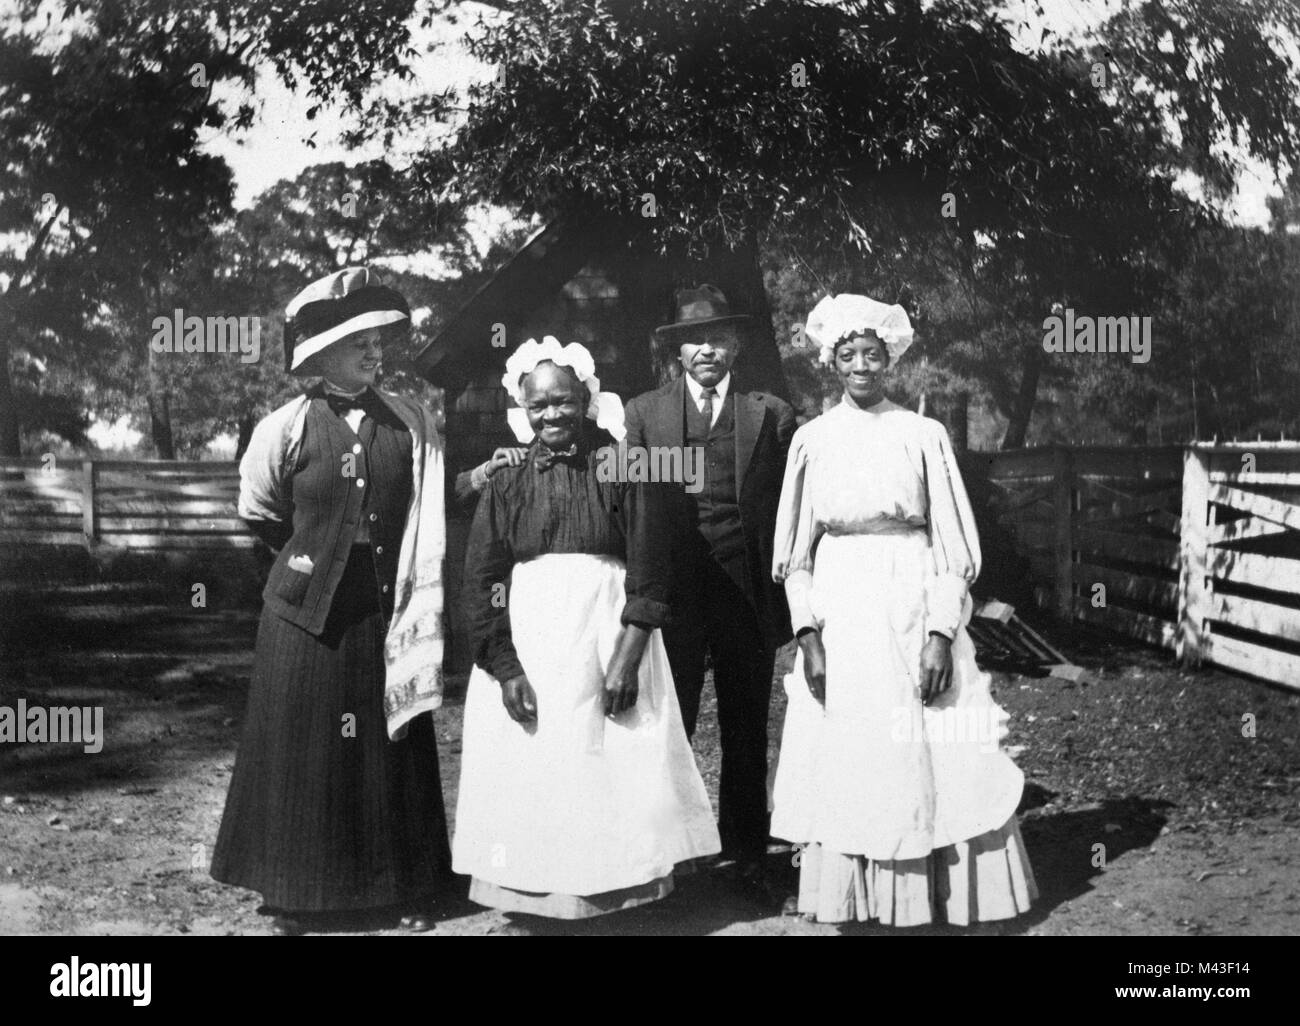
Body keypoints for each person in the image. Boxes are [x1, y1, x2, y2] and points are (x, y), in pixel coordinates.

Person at [770, 293, 1037, 926]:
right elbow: (795, 557)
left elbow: (953, 548)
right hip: (843, 610)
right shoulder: (812, 440)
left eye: (872, 353)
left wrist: (942, 632)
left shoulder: (923, 435)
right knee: (852, 749)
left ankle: (929, 896)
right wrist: (808, 634)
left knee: (928, 743)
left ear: (889, 359)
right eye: (848, 354)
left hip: (911, 604)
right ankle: (853, 896)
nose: (861, 364)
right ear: (831, 362)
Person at [211, 267, 454, 935]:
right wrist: (310, 570)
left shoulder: (410, 423)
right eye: (358, 343)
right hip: (301, 620)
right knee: (303, 752)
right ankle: (294, 896)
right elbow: (260, 515)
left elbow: (427, 510)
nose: (373, 352)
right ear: (319, 355)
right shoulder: (283, 428)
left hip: (384, 616)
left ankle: (400, 888)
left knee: (387, 748)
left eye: (378, 341)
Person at [453, 336, 721, 919]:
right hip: (531, 643)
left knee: (611, 757)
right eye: (539, 405)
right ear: (522, 410)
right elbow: (482, 580)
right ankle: (533, 891)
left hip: (607, 634)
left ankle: (619, 889)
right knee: (538, 759)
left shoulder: (621, 466)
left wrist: (627, 656)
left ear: (588, 400)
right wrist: (504, 666)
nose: (552, 415)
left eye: (565, 401)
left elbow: (651, 570)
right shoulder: (506, 479)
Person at [623, 285, 795, 905]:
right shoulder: (645, 414)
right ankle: (675, 858)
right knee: (674, 724)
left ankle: (747, 853)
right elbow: (632, 504)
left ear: (737, 346)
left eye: (719, 339)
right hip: (678, 598)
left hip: (747, 595)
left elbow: (792, 503)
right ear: (676, 350)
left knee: (747, 727)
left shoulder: (769, 413)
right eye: (695, 340)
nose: (707, 350)